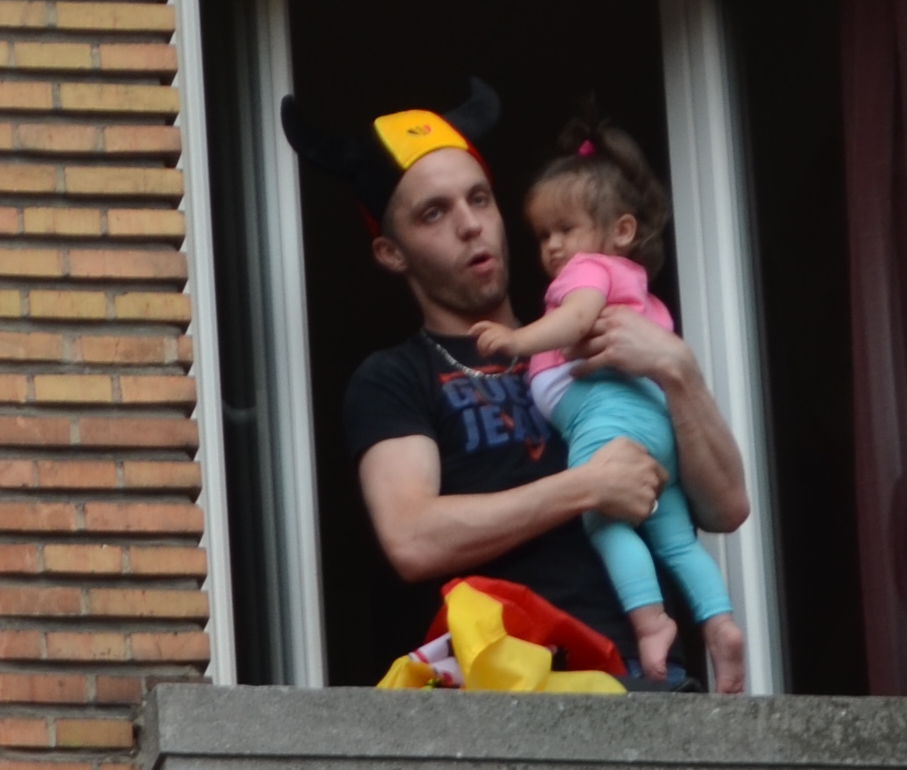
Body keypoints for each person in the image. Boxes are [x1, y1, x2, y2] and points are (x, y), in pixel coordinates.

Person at [283, 85, 750, 692]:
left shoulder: (585, 335)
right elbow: (412, 539)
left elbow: (726, 507)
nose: (470, 225)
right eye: (434, 213)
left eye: (479, 198)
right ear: (391, 253)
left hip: (649, 677)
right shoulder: (394, 377)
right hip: (509, 689)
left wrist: (677, 370)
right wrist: (586, 487)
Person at [470, 116, 734, 686]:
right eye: (543, 235)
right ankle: (719, 625)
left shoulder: (587, 273)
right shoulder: (634, 285)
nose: (552, 247)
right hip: (654, 423)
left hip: (606, 417)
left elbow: (574, 321)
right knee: (675, 539)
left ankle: (651, 624)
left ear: (621, 230)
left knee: (605, 523)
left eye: (565, 229)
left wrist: (517, 341)